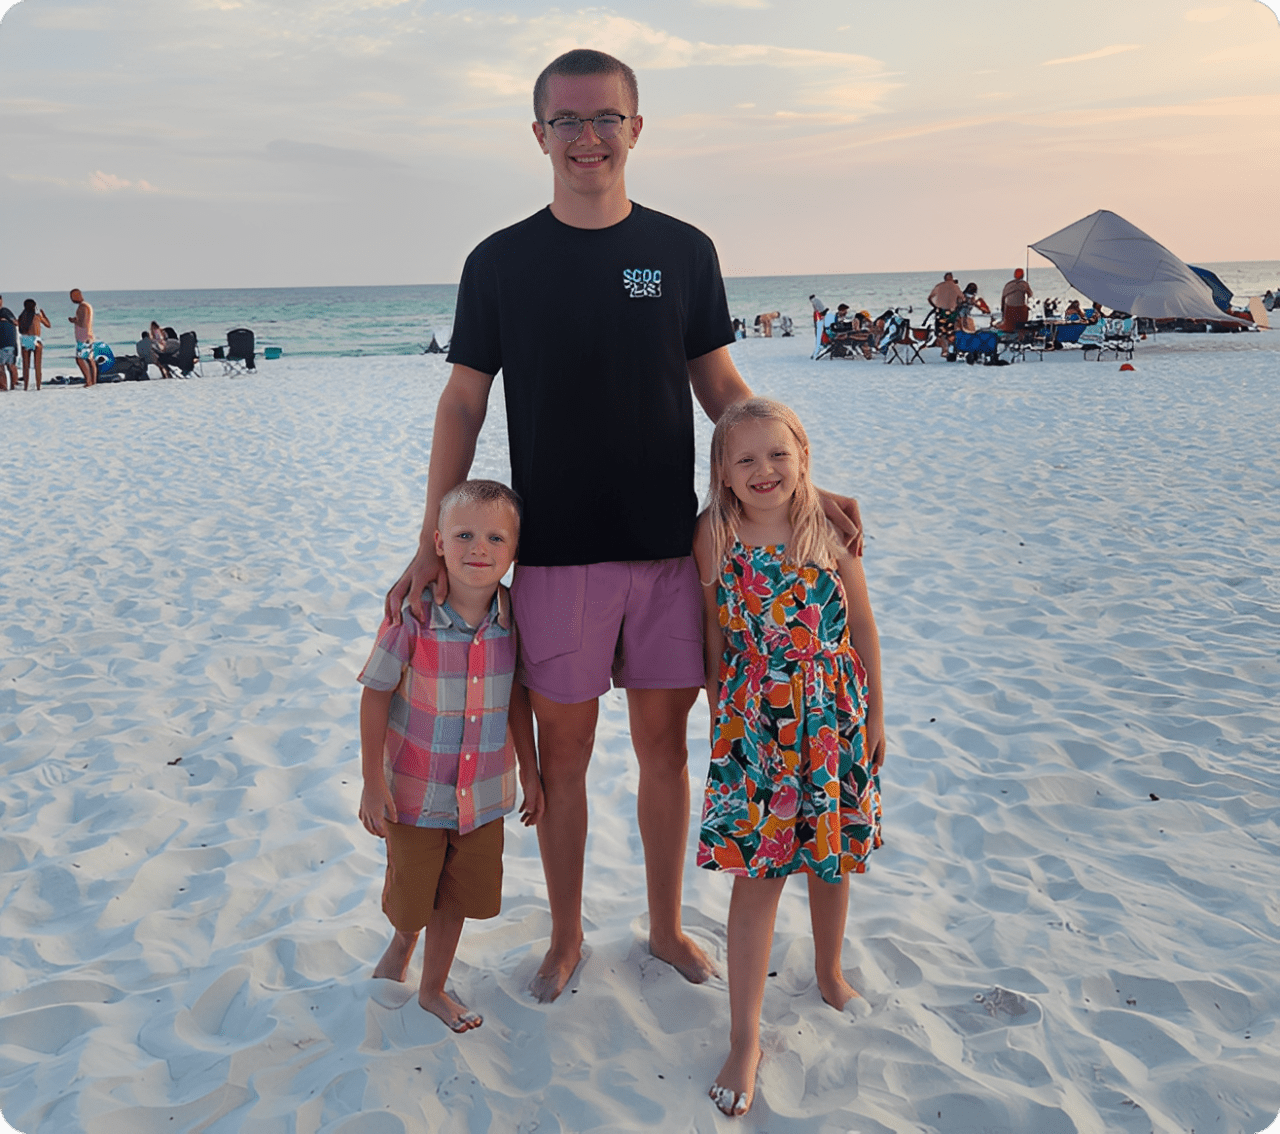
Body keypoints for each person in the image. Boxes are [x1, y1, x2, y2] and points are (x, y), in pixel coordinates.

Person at [383, 48, 863, 1006]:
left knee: (665, 751)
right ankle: (566, 935)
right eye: (567, 121)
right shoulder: (500, 262)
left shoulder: (683, 251)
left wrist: (807, 485)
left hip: (666, 551)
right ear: (538, 136)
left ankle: (665, 923)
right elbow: (462, 404)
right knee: (560, 759)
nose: (587, 137)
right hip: (555, 557)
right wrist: (431, 537)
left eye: (606, 118)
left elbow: (722, 390)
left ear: (636, 128)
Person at [693, 398, 884, 1117]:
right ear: (724, 471)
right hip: (756, 730)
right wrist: (724, 723)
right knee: (760, 876)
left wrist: (875, 719)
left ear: (803, 456)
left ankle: (830, 973)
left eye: (778, 454)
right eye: (745, 459)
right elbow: (714, 643)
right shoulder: (714, 536)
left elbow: (863, 627)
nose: (764, 470)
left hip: (834, 720)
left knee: (831, 858)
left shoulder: (828, 532)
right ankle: (745, 1035)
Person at [358, 480, 544, 1032]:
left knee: (457, 893)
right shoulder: (412, 618)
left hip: (484, 792)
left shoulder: (513, 622)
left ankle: (433, 988)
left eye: (495, 537)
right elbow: (374, 694)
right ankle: (402, 940)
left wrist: (530, 774)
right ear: (437, 542)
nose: (478, 549)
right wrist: (371, 780)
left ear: (514, 551)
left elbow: (516, 700)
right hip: (414, 789)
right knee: (413, 892)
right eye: (463, 535)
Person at [17, 300, 51, 391]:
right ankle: (38, 386)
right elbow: (48, 325)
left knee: (25, 366)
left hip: (25, 340)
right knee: (37, 366)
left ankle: (25, 387)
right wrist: (44, 315)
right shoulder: (37, 316)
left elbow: (19, 327)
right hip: (35, 340)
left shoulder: (21, 317)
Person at [69, 288, 96, 387]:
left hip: (84, 337)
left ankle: (89, 381)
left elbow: (83, 322)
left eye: (72, 296)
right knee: (90, 359)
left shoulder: (83, 307)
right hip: (88, 336)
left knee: (80, 359)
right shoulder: (87, 306)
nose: (71, 299)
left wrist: (74, 321)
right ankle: (92, 381)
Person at [1000, 268, 1033, 333]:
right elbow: (1030, 294)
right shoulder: (1024, 284)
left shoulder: (1008, 285)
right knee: (1026, 308)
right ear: (1023, 275)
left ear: (1014, 275)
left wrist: (1003, 311)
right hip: (1021, 312)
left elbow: (1003, 299)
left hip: (1009, 311)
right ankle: (1021, 329)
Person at [0, 297, 18, 392]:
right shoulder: (7, 312)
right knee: (10, 365)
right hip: (10, 343)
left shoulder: (5, 311)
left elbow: (15, 323)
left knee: (6, 366)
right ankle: (13, 386)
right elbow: (15, 322)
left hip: (6, 343)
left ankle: (5, 386)